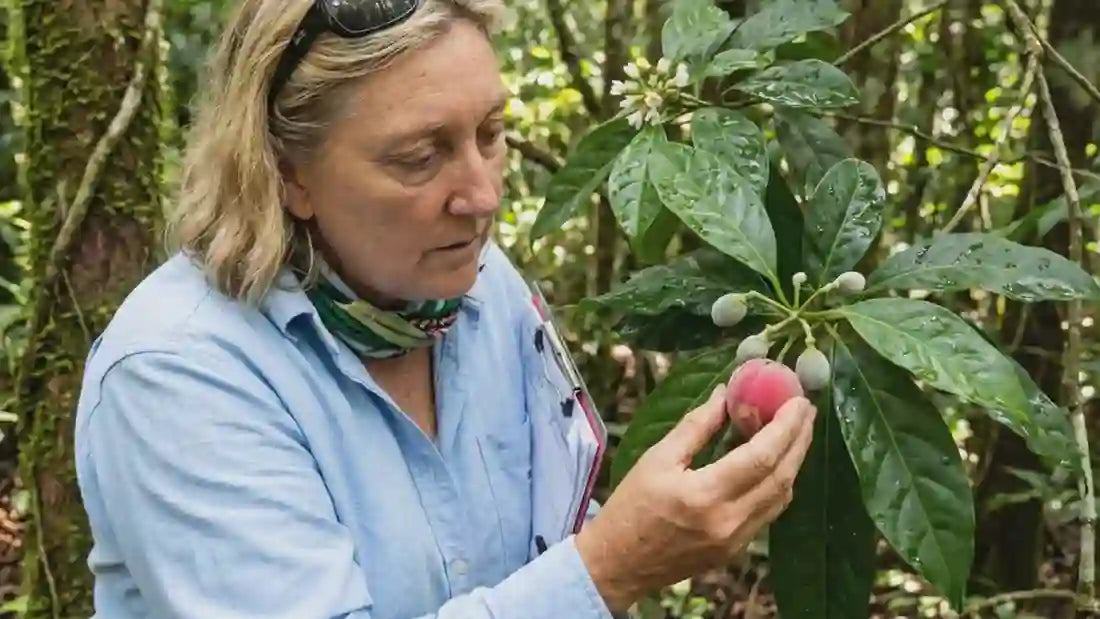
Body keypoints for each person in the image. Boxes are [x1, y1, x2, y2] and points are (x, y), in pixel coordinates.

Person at [72, 1, 818, 617]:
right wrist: (609, 569)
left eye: (489, 135)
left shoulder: (480, 289)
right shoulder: (178, 372)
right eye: (419, 157)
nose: (484, 196)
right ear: (286, 173)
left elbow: (546, 532)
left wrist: (676, 515)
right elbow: (583, 572)